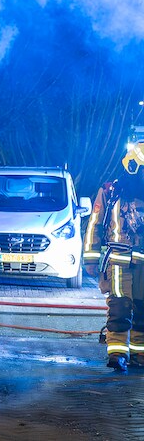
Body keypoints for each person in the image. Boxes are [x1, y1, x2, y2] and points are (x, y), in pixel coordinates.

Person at [83, 142, 144, 373]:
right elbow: (94, 225)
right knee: (120, 307)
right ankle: (117, 353)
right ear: (133, 167)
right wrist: (90, 259)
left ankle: (139, 354)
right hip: (119, 261)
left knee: (142, 310)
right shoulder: (111, 192)